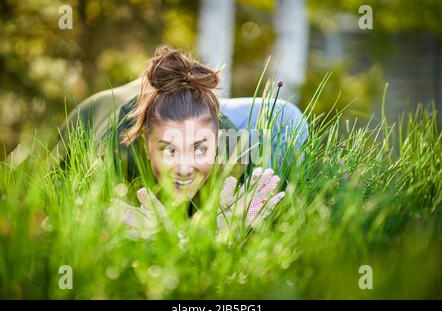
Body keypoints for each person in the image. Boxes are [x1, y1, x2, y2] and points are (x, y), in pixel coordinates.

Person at [63, 45, 308, 230]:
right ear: (147, 146)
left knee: (285, 116)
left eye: (200, 150)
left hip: (189, 107)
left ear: (218, 140)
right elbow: (80, 212)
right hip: (105, 109)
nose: (184, 168)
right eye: (169, 150)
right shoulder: (116, 149)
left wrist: (222, 227)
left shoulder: (232, 147)